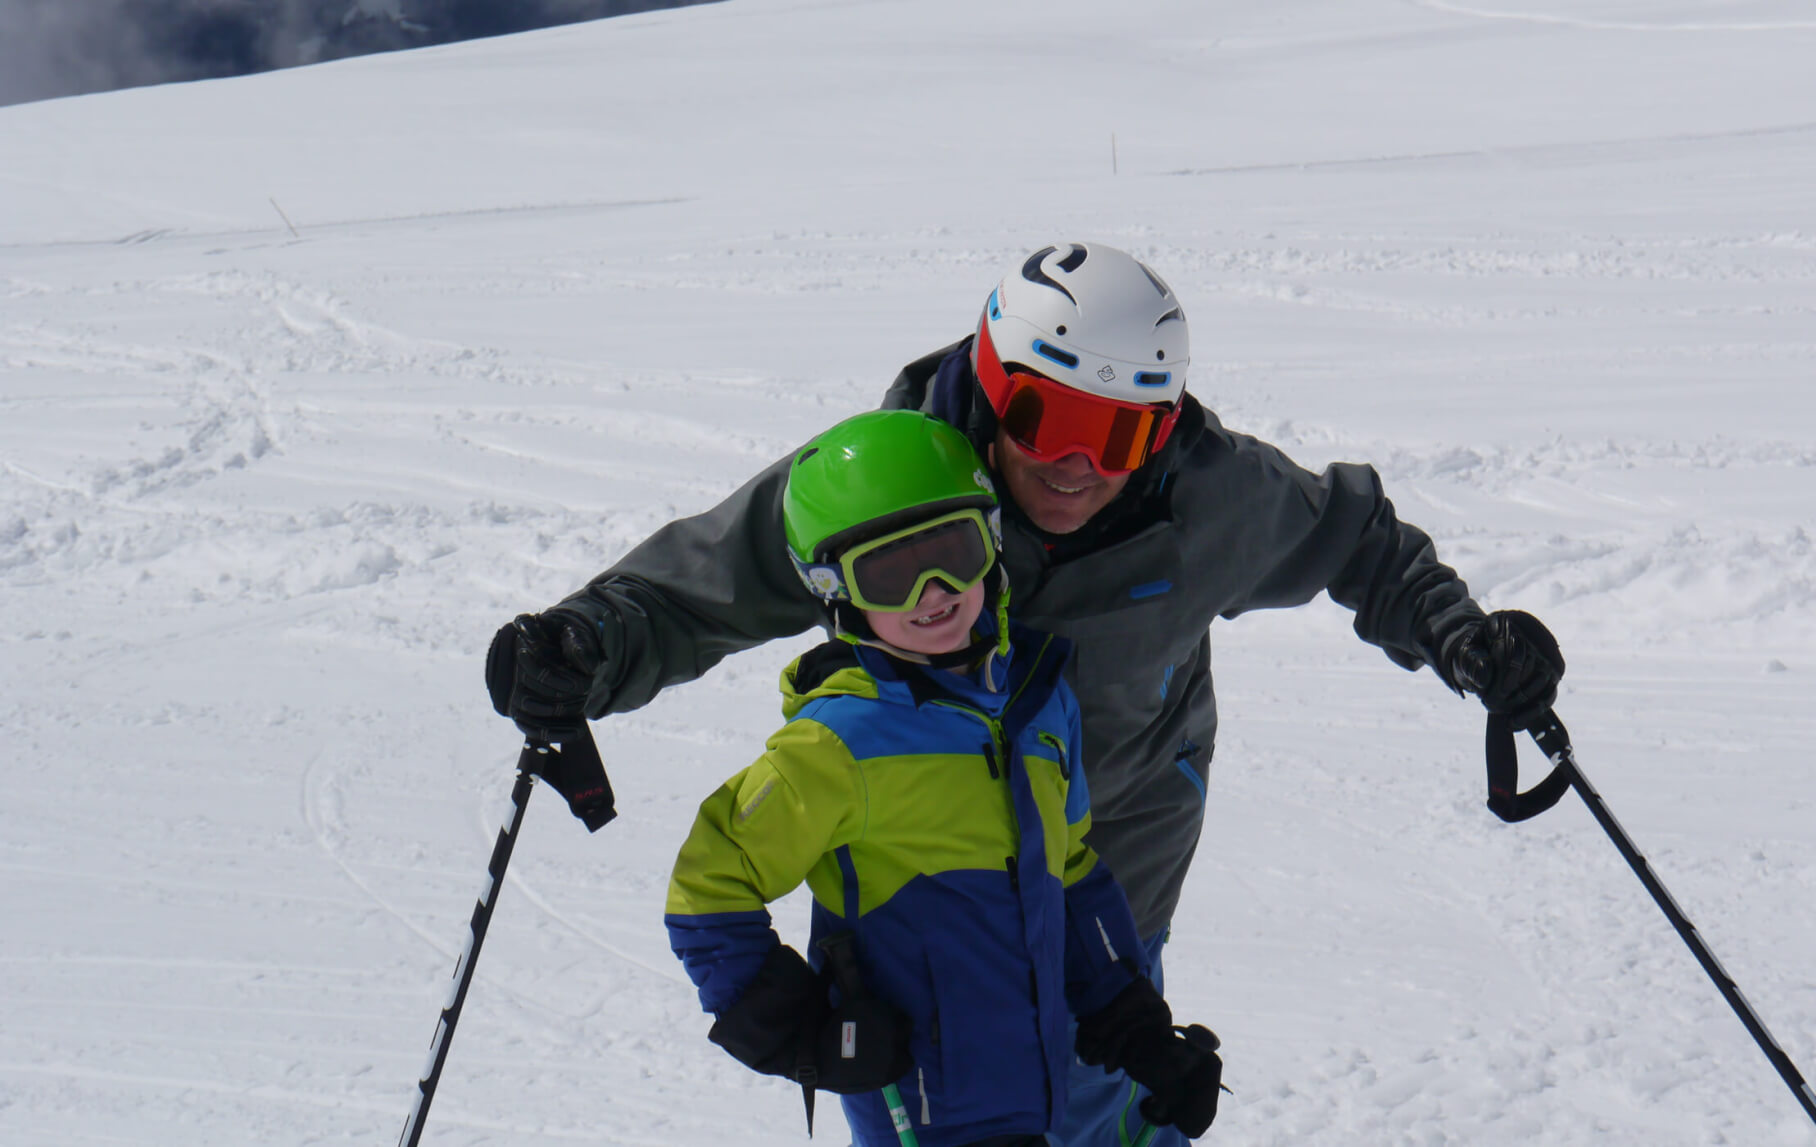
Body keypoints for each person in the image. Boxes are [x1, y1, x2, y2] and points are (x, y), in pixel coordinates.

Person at [488, 242, 1565, 1146]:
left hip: (1114, 831)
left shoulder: (1204, 497)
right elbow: (700, 586)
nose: (1076, 465)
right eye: (1044, 417)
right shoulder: (893, 487)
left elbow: (1356, 542)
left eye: (1123, 432)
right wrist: (584, 644)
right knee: (955, 1085)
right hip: (919, 873)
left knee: (1098, 1064)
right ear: (993, 382)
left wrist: (1463, 640)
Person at [663, 410, 1222, 1147]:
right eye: (889, 573)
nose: (931, 591)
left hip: (1037, 1100)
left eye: (952, 551)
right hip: (923, 1111)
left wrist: (1131, 1021)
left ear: (989, 542)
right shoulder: (838, 744)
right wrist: (802, 1029)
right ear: (837, 590)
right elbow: (707, 887)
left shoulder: (1042, 704)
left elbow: (1071, 871)